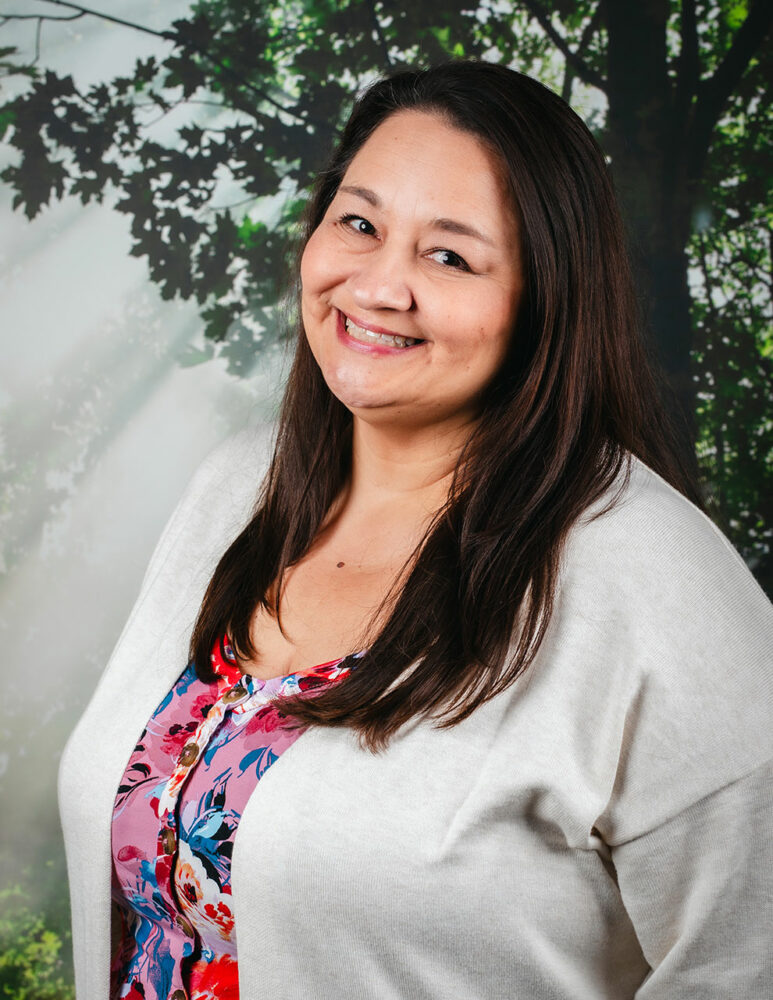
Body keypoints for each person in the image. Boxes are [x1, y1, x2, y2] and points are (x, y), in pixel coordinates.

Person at [59, 61, 773, 1000]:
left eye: (449, 257)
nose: (378, 285)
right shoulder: (236, 488)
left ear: (542, 301)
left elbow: (748, 959)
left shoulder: (654, 577)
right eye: (358, 223)